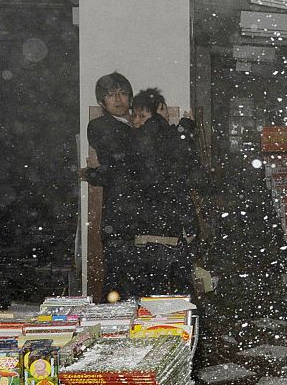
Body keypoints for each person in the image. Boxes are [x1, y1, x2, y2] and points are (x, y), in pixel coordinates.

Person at [129, 88, 204, 295]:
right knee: (174, 294)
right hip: (158, 232)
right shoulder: (162, 140)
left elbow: (178, 182)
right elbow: (177, 183)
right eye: (134, 116)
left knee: (165, 294)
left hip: (157, 231)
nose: (137, 121)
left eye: (143, 116)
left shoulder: (163, 140)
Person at [81, 71, 137, 299]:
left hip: (145, 216)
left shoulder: (139, 125)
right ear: (101, 102)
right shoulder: (100, 125)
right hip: (119, 214)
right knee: (117, 281)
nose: (118, 99)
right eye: (111, 95)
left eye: (123, 94)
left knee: (141, 282)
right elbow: (119, 164)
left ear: (130, 98)